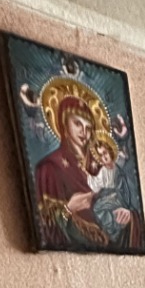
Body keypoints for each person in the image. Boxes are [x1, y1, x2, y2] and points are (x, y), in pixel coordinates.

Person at [33, 97, 107, 248]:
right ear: (64, 124)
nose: (84, 132)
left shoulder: (96, 167)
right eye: (77, 123)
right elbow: (46, 228)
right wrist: (68, 209)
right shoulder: (50, 167)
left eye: (88, 127)